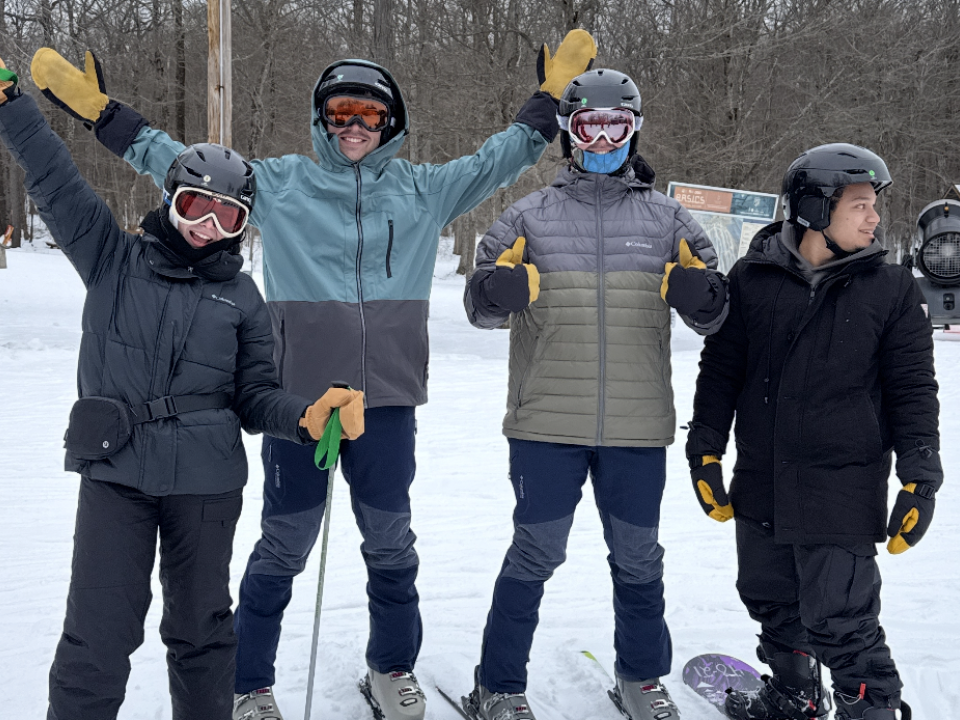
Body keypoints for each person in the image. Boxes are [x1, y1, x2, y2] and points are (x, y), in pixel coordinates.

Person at [30, 30, 597, 720]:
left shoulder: (425, 191)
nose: (354, 127)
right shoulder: (281, 184)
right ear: (321, 119)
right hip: (296, 403)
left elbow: (500, 158)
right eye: (340, 113)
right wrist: (101, 112)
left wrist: (548, 100)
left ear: (390, 123)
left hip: (387, 403)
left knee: (391, 542)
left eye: (369, 114)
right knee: (283, 544)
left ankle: (392, 667)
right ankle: (249, 682)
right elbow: (179, 165)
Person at [0, 59, 365, 720]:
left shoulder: (243, 298)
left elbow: (255, 395)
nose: (208, 226)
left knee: (202, 635)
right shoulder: (111, 258)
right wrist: (10, 103)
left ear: (243, 226)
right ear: (172, 199)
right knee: (97, 638)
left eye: (229, 217)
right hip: (117, 475)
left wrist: (307, 416)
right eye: (197, 206)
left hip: (206, 485)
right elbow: (53, 176)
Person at [462, 68, 729, 720]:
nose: (603, 141)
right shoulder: (529, 215)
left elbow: (717, 312)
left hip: (636, 426)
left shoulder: (669, 218)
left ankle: (641, 679)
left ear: (634, 130)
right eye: (589, 127)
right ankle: (498, 685)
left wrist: (703, 298)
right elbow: (478, 305)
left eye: (616, 126)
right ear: (569, 134)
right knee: (535, 552)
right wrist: (496, 292)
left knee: (639, 559)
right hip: (546, 424)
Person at [686, 143, 942, 720]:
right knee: (770, 597)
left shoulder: (891, 288)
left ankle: (871, 710)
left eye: (874, 204)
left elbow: (912, 388)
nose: (874, 218)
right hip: (762, 476)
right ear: (813, 209)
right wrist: (705, 451)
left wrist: (920, 477)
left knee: (842, 618)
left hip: (841, 486)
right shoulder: (752, 278)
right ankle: (793, 693)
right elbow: (721, 371)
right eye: (859, 205)